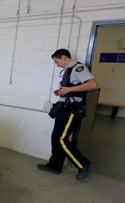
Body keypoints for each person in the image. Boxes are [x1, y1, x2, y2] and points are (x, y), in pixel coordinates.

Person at [37, 48, 98, 180]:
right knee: (56, 138)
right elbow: (71, 89)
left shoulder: (78, 68)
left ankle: (83, 164)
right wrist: (61, 91)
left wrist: (69, 89)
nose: (57, 65)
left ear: (64, 57)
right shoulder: (69, 70)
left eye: (57, 61)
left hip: (71, 111)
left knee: (61, 139)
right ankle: (54, 166)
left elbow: (93, 84)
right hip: (64, 109)